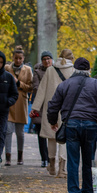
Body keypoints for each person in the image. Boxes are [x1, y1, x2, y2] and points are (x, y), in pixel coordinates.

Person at [47, 57, 97, 193]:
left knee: (73, 161)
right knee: (89, 160)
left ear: (74, 69)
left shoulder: (65, 84)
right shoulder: (96, 84)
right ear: (88, 70)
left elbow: (53, 105)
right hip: (91, 125)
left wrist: (52, 122)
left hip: (72, 125)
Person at [31, 49, 75, 177]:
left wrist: (35, 107)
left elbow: (42, 90)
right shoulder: (73, 71)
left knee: (52, 136)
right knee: (64, 138)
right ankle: (62, 169)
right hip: (67, 109)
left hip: (51, 108)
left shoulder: (50, 70)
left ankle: (51, 165)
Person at [4, 46, 33, 165]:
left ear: (23, 59)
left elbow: (30, 87)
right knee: (8, 131)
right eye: (16, 58)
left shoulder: (27, 70)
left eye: (20, 58)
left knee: (20, 133)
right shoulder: (7, 68)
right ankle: (8, 157)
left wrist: (19, 83)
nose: (18, 61)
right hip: (9, 102)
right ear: (13, 58)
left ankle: (20, 156)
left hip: (21, 102)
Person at [31, 51, 54, 167]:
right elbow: (36, 87)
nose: (46, 61)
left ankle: (51, 157)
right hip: (40, 106)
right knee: (41, 133)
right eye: (44, 59)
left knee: (52, 133)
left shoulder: (55, 71)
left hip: (52, 105)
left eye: (48, 58)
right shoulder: (37, 72)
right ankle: (44, 158)